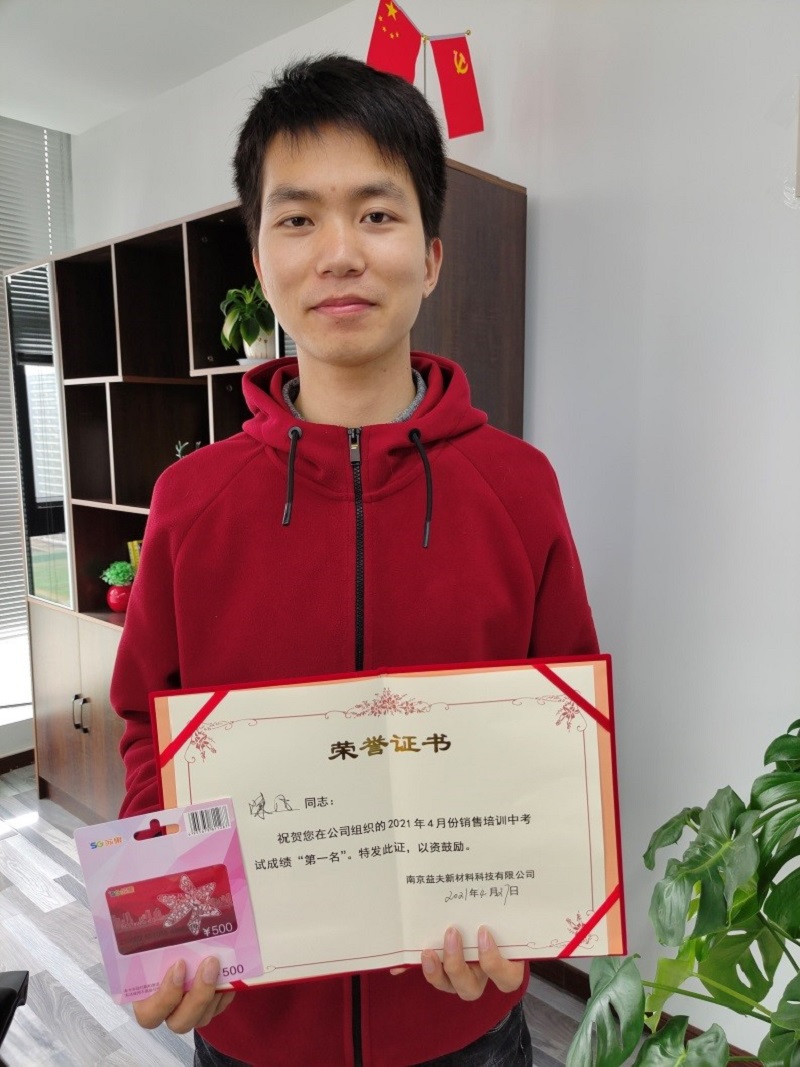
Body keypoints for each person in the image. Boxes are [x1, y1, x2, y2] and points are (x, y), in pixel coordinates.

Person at [112, 54, 597, 1067]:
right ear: (259, 258)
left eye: (376, 214)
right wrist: (172, 937)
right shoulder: (191, 500)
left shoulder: (519, 487)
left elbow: (558, 730)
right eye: (298, 219)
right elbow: (151, 731)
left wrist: (529, 911)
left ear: (431, 255)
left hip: (461, 1020)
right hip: (255, 1028)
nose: (339, 253)